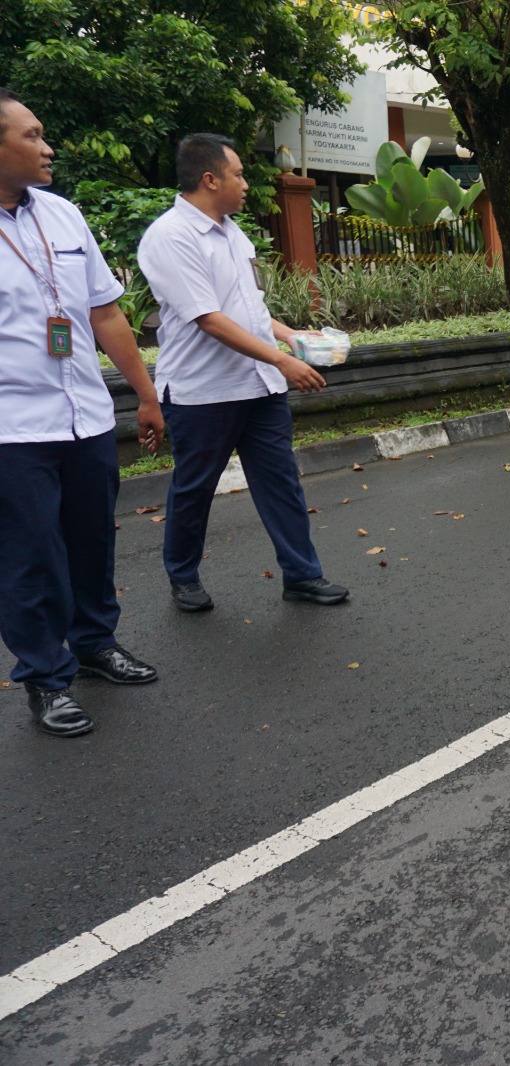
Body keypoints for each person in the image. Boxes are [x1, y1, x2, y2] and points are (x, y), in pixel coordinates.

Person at [0, 87, 163, 738]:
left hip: (85, 418)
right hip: (12, 431)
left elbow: (104, 313)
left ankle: (95, 644)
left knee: (94, 542)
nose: (48, 147)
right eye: (33, 136)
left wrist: (145, 394)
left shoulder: (63, 217)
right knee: (30, 556)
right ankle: (45, 676)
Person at [137, 133, 348, 612]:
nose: (246, 184)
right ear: (210, 179)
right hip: (203, 391)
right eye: (238, 174)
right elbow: (208, 318)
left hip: (258, 386)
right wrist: (281, 359)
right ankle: (183, 576)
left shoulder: (233, 232)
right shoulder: (171, 237)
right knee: (195, 488)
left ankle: (302, 574)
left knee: (280, 482)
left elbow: (248, 308)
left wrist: (291, 336)